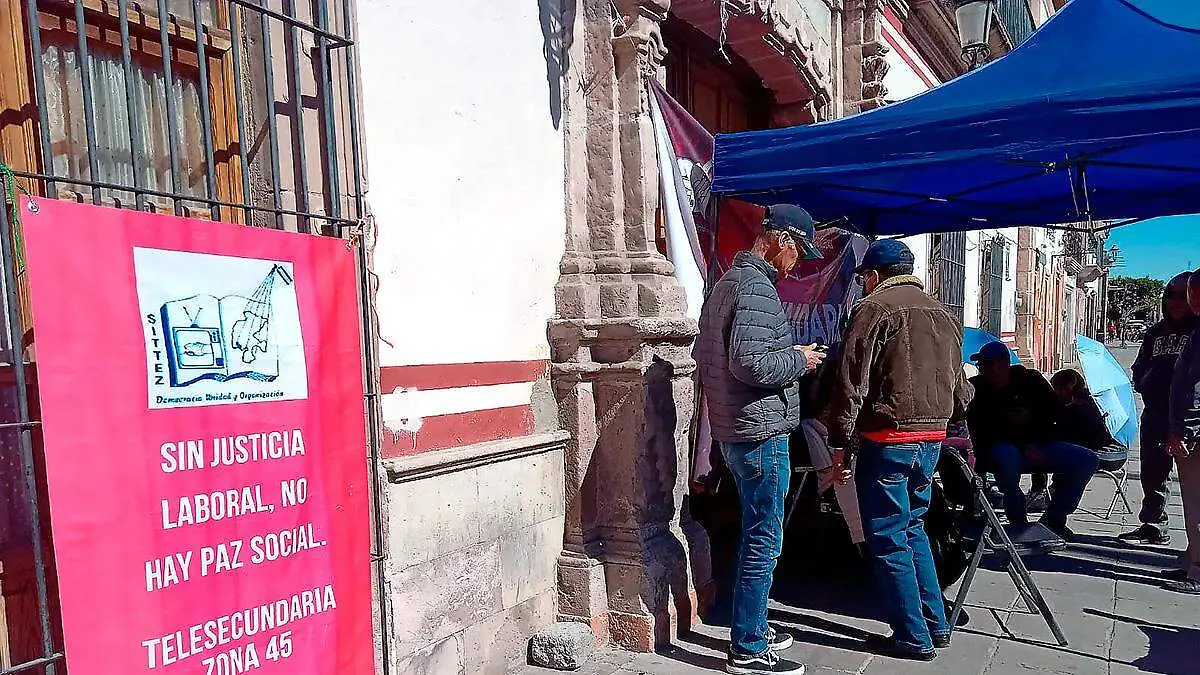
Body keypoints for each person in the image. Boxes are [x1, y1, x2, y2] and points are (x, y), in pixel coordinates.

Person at [693, 204, 826, 675]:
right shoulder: (756, 288)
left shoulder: (729, 283)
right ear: (781, 239)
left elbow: (716, 354)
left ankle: (755, 625)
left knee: (757, 532)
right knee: (764, 538)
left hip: (738, 428)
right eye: (799, 251)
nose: (798, 263)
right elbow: (749, 363)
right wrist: (800, 360)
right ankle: (748, 647)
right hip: (760, 432)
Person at [826, 239, 972, 661]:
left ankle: (913, 634)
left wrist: (840, 444)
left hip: (889, 437)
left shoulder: (872, 308)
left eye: (863, 277)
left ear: (873, 275)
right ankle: (936, 624)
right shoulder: (943, 313)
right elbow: (961, 389)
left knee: (889, 536)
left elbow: (850, 385)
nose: (862, 284)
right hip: (932, 438)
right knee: (913, 528)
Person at [967, 342, 1099, 539]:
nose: (983, 369)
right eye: (981, 365)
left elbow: (1058, 413)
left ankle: (1054, 518)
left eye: (987, 364)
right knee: (1006, 459)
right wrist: (1022, 442)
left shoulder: (1030, 380)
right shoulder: (977, 387)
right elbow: (980, 429)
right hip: (1000, 445)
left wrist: (1033, 428)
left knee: (1087, 459)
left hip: (1039, 442)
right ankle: (1019, 524)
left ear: (1004, 363)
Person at [1120, 273, 1197, 546]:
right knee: (1153, 471)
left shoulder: (1197, 332)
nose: (1176, 302)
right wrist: (1144, 381)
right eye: (1171, 296)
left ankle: (1195, 543)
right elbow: (1140, 364)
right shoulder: (1155, 332)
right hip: (1156, 412)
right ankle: (1154, 524)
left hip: (1189, 416)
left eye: (1183, 296)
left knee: (1194, 481)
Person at [1163, 268, 1200, 595]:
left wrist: (1184, 431)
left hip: (1195, 435)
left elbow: (1194, 389)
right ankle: (1192, 559)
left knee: (1196, 501)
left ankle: (1198, 570)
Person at [1050, 369, 1128, 470]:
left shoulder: (1076, 408)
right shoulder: (1090, 400)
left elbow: (1063, 433)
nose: (1056, 393)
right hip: (1111, 453)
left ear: (1067, 388)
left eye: (1057, 389)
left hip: (1097, 454)